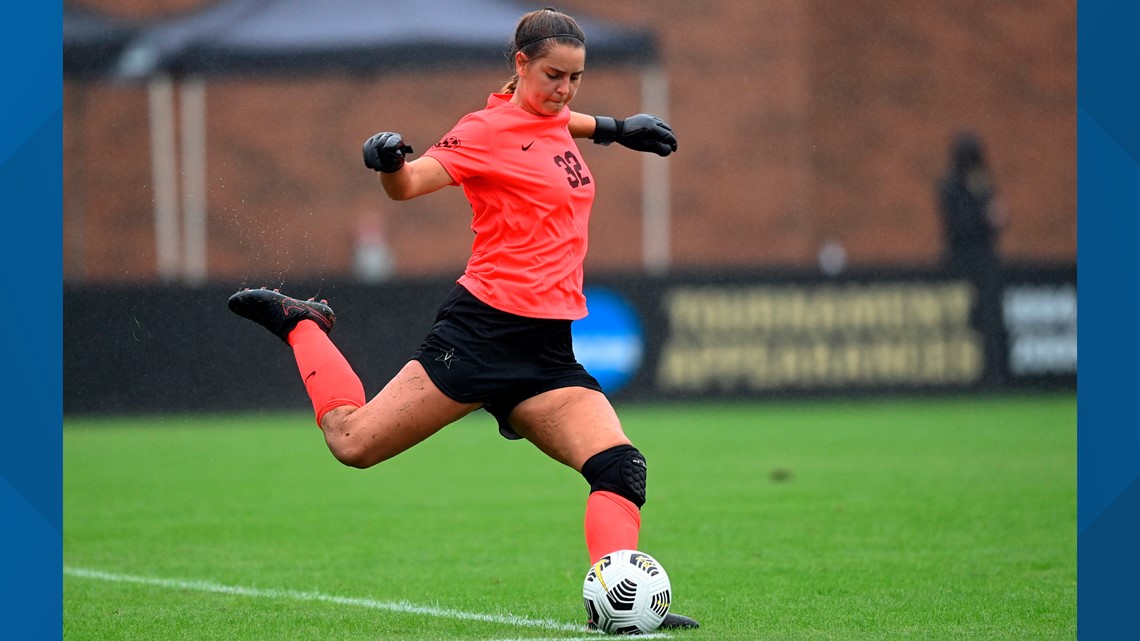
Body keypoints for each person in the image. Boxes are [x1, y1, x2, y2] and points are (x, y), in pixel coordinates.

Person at [227, 8, 697, 631]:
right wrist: (390, 164)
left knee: (620, 468)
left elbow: (560, 123)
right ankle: (301, 323)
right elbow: (412, 184)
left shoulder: (556, 117)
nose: (565, 90)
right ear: (521, 64)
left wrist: (614, 128)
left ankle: (625, 605)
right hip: (479, 336)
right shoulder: (484, 130)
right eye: (554, 75)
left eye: (577, 78)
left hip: (546, 353)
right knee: (353, 444)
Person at [936, 130, 1009, 385]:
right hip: (960, 262)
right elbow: (961, 225)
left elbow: (999, 218)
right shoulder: (949, 186)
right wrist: (984, 215)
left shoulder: (982, 184)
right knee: (963, 323)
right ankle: (963, 378)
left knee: (991, 321)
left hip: (986, 262)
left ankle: (994, 376)